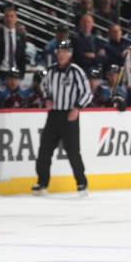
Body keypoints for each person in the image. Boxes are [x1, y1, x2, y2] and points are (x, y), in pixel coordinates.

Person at [32, 40, 92, 196]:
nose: (61, 55)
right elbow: (44, 87)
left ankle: (81, 183)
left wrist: (77, 108)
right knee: (44, 150)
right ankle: (42, 182)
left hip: (69, 116)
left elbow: (87, 92)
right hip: (53, 116)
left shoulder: (76, 71)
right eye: (59, 52)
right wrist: (47, 99)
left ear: (70, 54)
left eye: (65, 52)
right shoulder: (50, 70)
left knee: (73, 152)